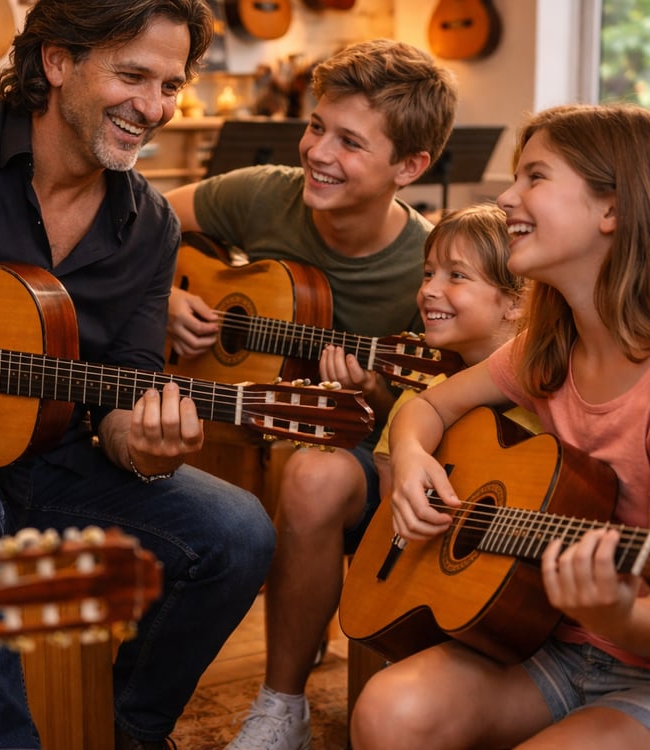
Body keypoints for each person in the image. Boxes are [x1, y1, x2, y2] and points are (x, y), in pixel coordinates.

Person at [0, 1, 276, 748]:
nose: (153, 107)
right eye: (133, 76)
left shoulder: (150, 227)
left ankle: (124, 732)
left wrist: (147, 447)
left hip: (47, 469)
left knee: (237, 530)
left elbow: (125, 390)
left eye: (170, 85)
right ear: (57, 61)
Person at [165, 38, 457, 750]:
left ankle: (281, 707)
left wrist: (375, 392)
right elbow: (138, 219)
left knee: (311, 474)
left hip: (359, 460)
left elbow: (434, 404)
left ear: (410, 167)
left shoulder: (426, 271)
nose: (318, 153)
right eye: (317, 126)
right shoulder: (265, 193)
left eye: (350, 142)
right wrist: (163, 294)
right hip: (240, 417)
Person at [351, 102, 650, 750]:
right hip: (550, 644)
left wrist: (621, 615)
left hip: (642, 675)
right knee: (385, 714)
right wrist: (411, 458)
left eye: (534, 177)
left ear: (612, 208)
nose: (507, 197)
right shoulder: (546, 348)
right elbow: (430, 407)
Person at [373, 202, 529, 503]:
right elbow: (391, 514)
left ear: (516, 303)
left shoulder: (547, 390)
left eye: (456, 275)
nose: (428, 290)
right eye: (428, 273)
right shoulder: (417, 395)